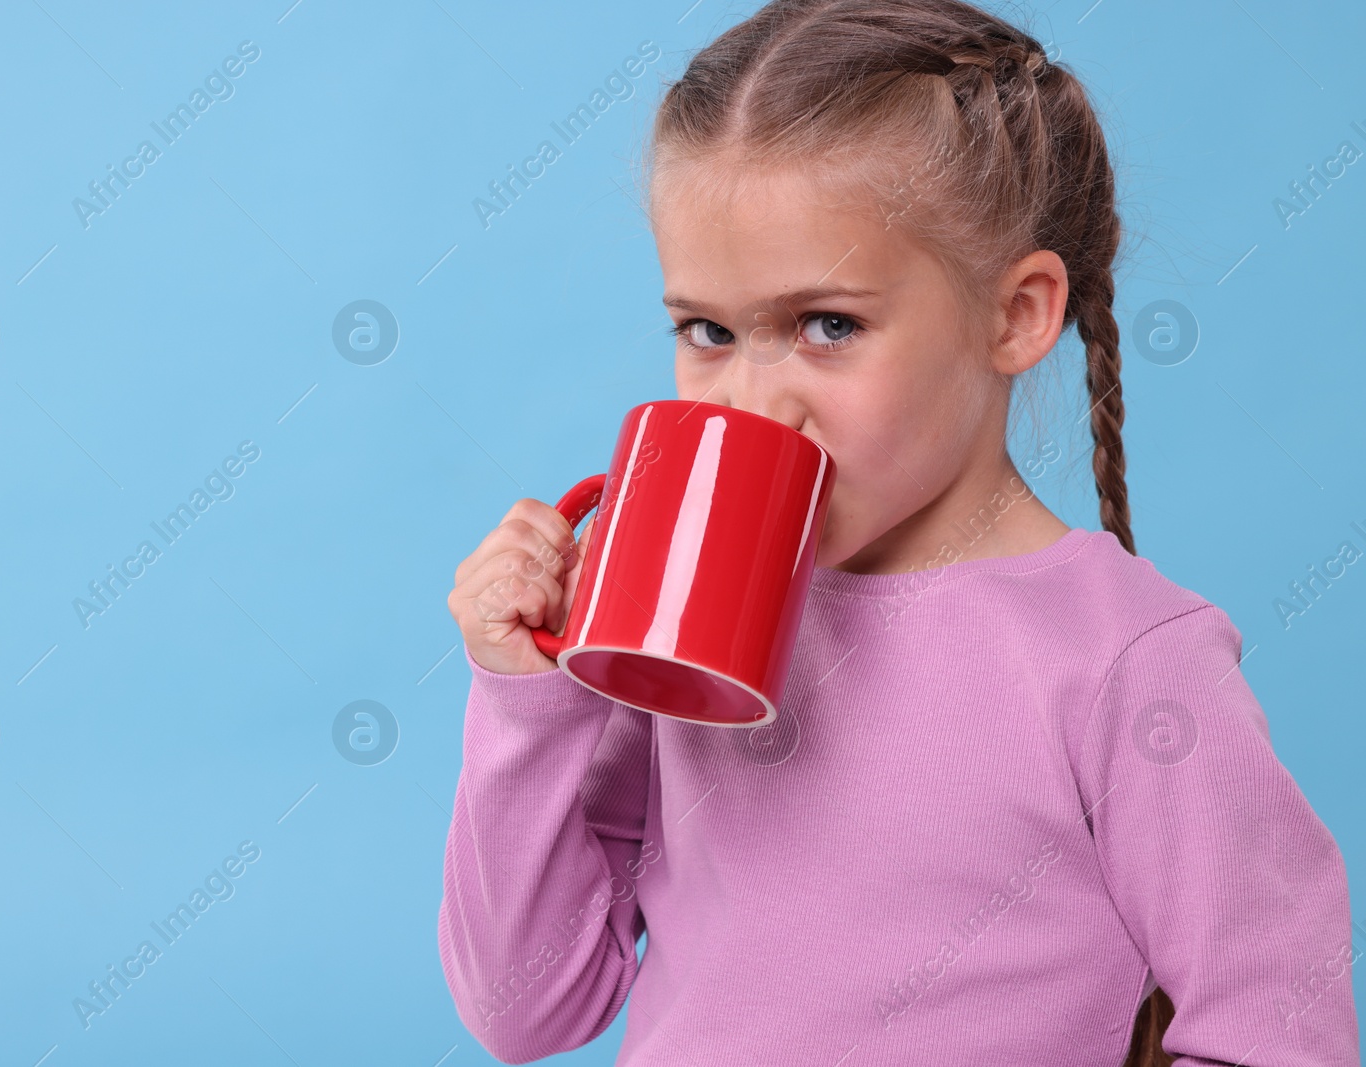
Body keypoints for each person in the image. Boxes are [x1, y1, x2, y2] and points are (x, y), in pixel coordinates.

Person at [437, 1, 1360, 1063]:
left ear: (1015, 314)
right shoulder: (676, 631)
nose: (750, 404)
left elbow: (1276, 1035)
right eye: (708, 331)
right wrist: (526, 701)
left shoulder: (1128, 661)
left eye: (826, 325)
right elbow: (525, 1010)